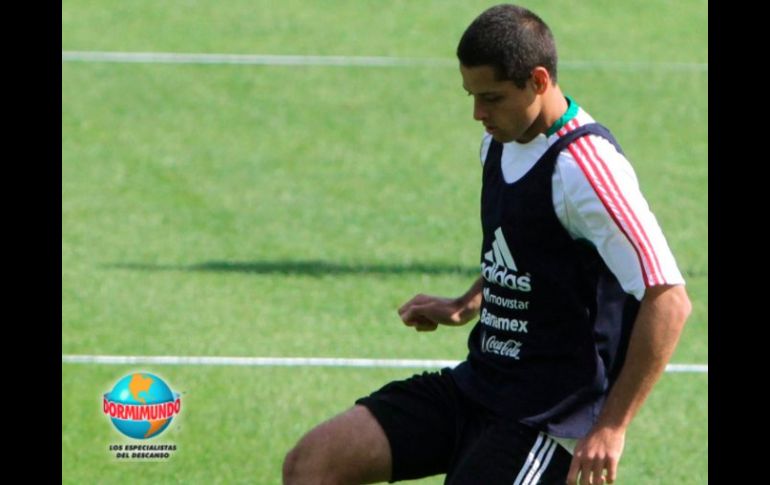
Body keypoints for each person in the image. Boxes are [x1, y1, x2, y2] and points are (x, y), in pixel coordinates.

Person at [282, 4, 691, 485]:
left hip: (547, 416)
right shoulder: (499, 141)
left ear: (538, 81)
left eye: (491, 97)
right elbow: (524, 246)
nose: (478, 114)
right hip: (479, 385)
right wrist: (466, 303)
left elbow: (669, 300)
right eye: (471, 96)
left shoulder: (586, 169)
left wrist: (612, 427)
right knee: (312, 464)